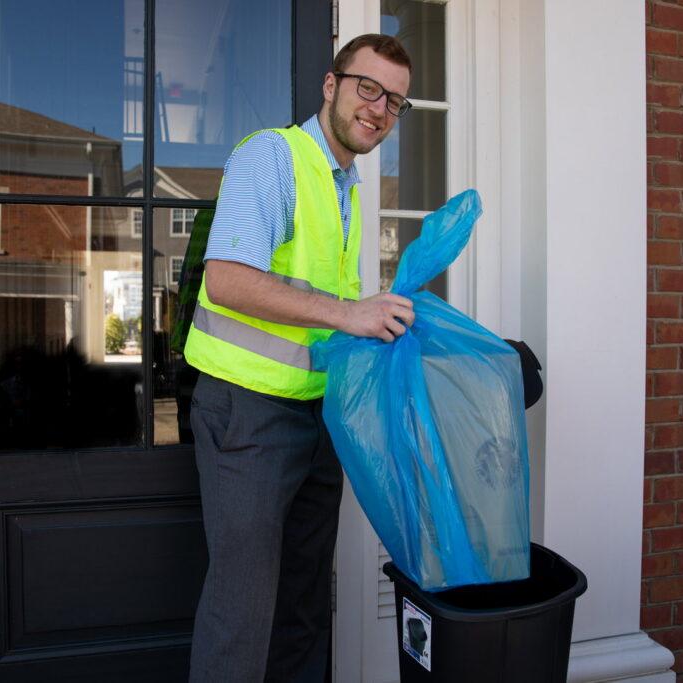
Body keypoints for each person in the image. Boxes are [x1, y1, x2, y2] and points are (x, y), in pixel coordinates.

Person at [183, 34, 414, 683]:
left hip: (318, 417)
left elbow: (323, 307)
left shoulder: (348, 187)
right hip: (248, 414)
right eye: (368, 87)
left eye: (394, 101)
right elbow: (227, 279)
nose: (379, 108)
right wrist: (352, 313)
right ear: (330, 84)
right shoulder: (273, 157)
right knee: (242, 608)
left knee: (305, 604)